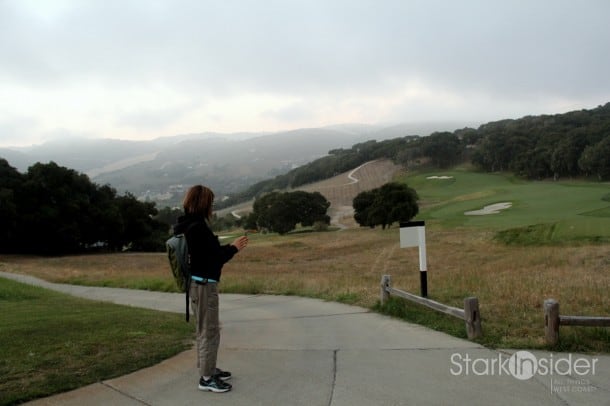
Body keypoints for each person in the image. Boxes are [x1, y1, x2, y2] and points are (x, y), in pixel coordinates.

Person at [172, 185, 248, 393]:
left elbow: (207, 254)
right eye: (211, 202)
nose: (212, 207)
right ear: (204, 203)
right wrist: (234, 248)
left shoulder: (186, 225)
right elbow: (215, 258)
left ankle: (209, 369)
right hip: (205, 286)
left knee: (204, 330)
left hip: (196, 285)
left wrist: (229, 249)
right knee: (209, 331)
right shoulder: (198, 228)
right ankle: (207, 378)